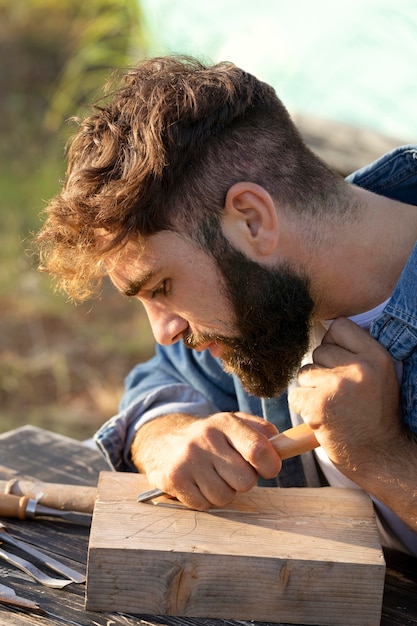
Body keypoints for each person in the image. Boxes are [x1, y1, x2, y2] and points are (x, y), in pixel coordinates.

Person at [36, 55, 417, 556]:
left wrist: (381, 457)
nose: (165, 331)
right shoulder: (266, 299)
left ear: (253, 221)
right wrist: (169, 438)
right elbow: (162, 379)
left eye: (162, 287)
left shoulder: (251, 292)